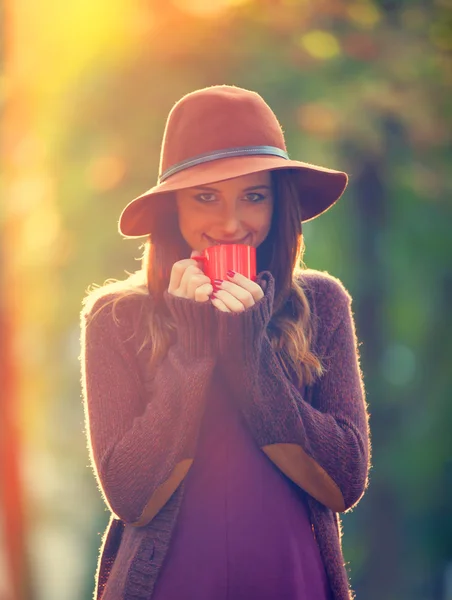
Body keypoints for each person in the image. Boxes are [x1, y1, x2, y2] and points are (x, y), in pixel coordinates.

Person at [80, 85, 371, 600]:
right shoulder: (116, 317)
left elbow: (345, 477)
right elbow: (130, 492)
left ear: (279, 205)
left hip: (293, 581)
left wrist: (249, 348)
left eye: (253, 196)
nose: (231, 223)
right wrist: (193, 349)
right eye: (206, 197)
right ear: (173, 208)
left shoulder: (322, 304)